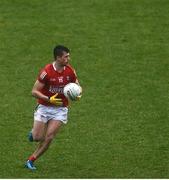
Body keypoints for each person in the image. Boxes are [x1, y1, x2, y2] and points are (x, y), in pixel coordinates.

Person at [25, 45, 81, 170]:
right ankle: (34, 133)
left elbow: (77, 85)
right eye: (66, 57)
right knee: (37, 137)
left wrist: (77, 94)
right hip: (44, 107)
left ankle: (31, 160)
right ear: (58, 58)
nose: (68, 59)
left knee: (49, 137)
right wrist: (48, 99)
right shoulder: (47, 72)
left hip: (60, 109)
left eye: (68, 56)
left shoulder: (70, 71)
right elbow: (34, 91)